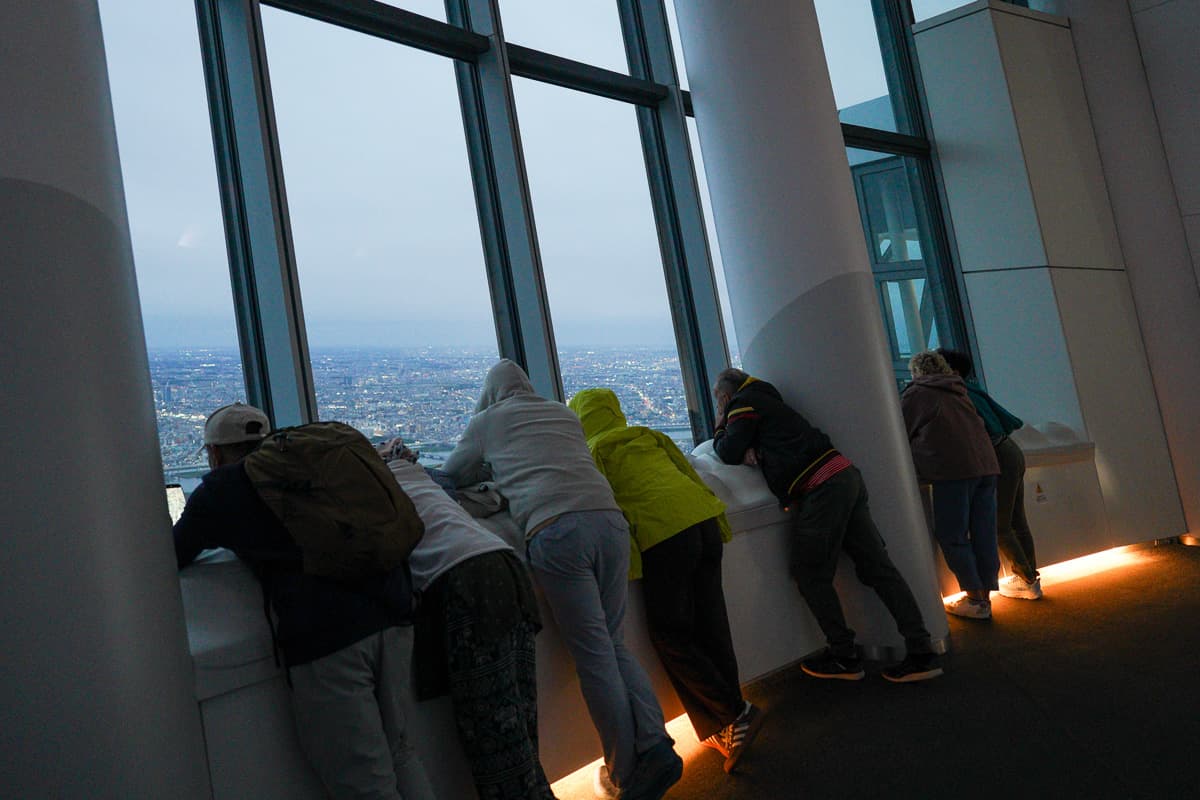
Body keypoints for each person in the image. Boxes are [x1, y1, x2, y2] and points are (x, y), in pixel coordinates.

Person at [442, 360, 681, 800]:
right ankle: (657, 745)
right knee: (615, 644)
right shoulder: (563, 413)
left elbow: (453, 474)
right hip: (610, 524)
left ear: (491, 393)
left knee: (593, 657)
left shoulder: (487, 420)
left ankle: (627, 772)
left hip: (556, 531)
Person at [173, 403, 434, 800]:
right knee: (400, 752)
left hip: (330, 639)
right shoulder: (308, 465)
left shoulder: (221, 490)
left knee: (363, 780)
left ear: (214, 453)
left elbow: (172, 552)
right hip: (394, 610)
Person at [568, 388, 763, 773]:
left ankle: (733, 713)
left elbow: (612, 507)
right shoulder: (647, 434)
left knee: (671, 634)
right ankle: (729, 722)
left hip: (665, 536)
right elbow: (690, 474)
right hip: (702, 522)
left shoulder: (595, 453)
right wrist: (719, 523)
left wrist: (631, 567)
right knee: (712, 623)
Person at [711, 369, 943, 683]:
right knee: (878, 568)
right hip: (844, 474)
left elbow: (727, 451)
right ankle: (921, 650)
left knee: (809, 573)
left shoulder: (742, 404)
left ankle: (844, 656)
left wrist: (722, 424)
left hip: (821, 488)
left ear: (725, 396)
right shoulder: (768, 400)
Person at [379, 439, 554, 800]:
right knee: (520, 723)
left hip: (466, 581)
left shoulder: (372, 489)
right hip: (507, 565)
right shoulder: (421, 476)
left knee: (492, 735)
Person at [901, 352, 1002, 619]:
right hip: (987, 467)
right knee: (984, 533)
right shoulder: (960, 390)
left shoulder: (918, 393)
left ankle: (975, 599)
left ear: (915, 371)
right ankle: (986, 596)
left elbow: (901, 430)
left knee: (952, 535)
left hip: (953, 470)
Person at [937, 348, 1042, 600]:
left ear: (952, 370)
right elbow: (1007, 420)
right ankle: (1031, 576)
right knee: (1018, 520)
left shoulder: (957, 393)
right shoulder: (972, 388)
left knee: (999, 525)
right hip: (1010, 449)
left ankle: (1026, 578)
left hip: (997, 456)